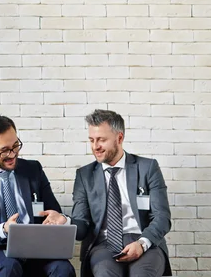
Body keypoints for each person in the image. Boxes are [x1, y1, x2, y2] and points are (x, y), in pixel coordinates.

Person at [0, 114, 76, 277]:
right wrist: (3, 230)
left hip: (36, 249)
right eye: (4, 150)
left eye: (16, 145)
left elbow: (53, 211)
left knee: (63, 268)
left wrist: (56, 217)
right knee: (9, 266)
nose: (12, 154)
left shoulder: (33, 169)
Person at [69, 109, 171, 276]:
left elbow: (162, 217)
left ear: (120, 138)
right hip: (103, 244)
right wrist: (65, 221)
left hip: (144, 240)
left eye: (101, 140)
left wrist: (142, 243)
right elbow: (81, 226)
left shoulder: (147, 168)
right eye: (92, 140)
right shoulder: (84, 176)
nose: (95, 146)